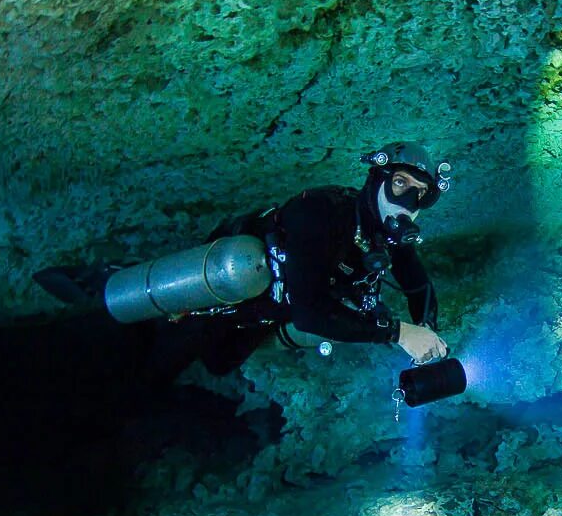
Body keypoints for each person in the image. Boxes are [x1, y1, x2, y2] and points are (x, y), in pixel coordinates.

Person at [35, 141, 450, 386]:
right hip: (216, 302)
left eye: (420, 194)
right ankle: (97, 289)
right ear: (377, 180)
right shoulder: (322, 212)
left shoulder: (385, 235)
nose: (408, 202)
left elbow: (416, 281)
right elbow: (309, 312)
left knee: (219, 366)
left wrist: (427, 327)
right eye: (400, 184)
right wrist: (398, 332)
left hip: (261, 316)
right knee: (152, 367)